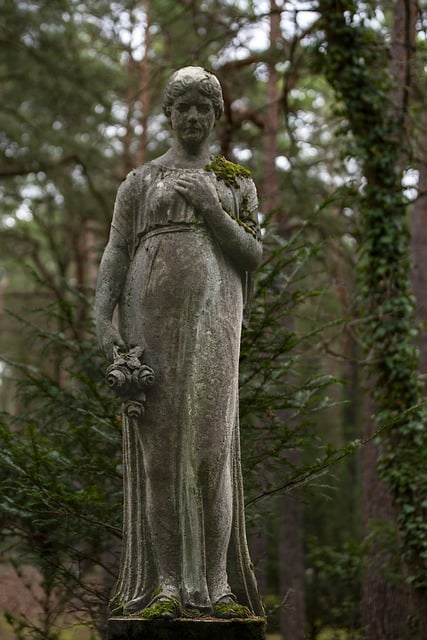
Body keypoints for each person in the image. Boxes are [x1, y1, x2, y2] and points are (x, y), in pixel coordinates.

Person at [95, 66, 263, 620]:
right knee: (161, 460)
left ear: (216, 116)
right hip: (150, 322)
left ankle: (217, 586)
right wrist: (102, 317)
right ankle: (166, 584)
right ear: (168, 114)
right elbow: (116, 251)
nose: (192, 116)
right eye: (183, 106)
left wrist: (212, 209)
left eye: (203, 108)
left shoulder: (235, 182)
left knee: (211, 454)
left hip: (216, 321)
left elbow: (252, 254)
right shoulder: (140, 182)